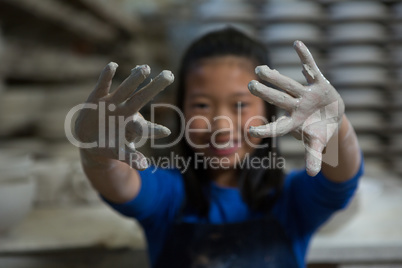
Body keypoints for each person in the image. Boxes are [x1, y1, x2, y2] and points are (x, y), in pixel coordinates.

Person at [74, 27, 363, 268]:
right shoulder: (168, 195)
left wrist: (338, 128)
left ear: (269, 110)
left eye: (240, 105)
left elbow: (341, 178)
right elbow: (120, 183)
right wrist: (94, 152)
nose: (221, 126)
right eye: (201, 105)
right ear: (181, 110)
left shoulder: (290, 199)